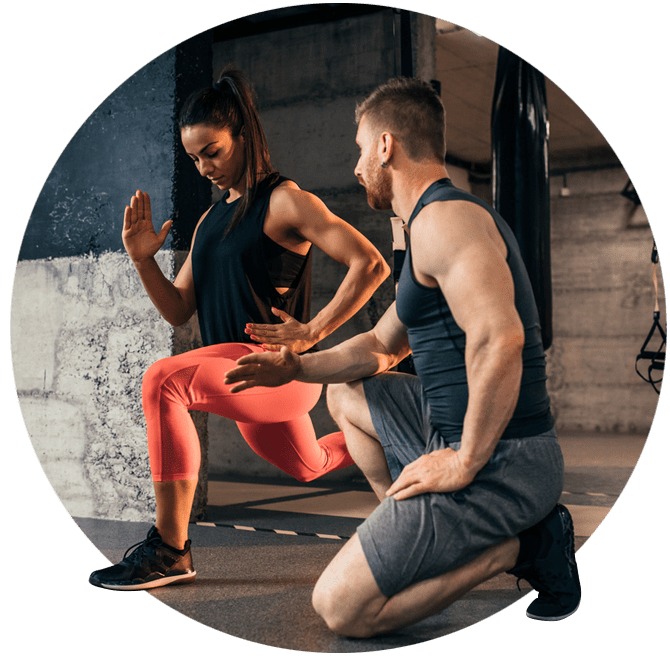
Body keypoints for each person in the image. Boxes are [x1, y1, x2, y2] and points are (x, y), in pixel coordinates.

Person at [224, 76, 581, 635]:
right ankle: (407, 532)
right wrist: (297, 365)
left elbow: (501, 338)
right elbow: (380, 347)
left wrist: (464, 459)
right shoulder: (429, 228)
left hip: (503, 457)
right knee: (345, 392)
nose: (357, 165)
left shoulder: (446, 221)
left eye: (361, 148)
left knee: (341, 610)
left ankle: (522, 547)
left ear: (386, 145)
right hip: (451, 428)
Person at [88, 67, 389, 591]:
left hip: (276, 370)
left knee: (164, 379)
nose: (205, 167)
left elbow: (370, 264)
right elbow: (178, 309)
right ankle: (394, 436)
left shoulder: (285, 201)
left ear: (242, 137)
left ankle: (170, 548)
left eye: (214, 151)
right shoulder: (209, 222)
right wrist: (142, 263)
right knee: (310, 465)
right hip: (238, 372)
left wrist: (312, 333)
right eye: (195, 158)